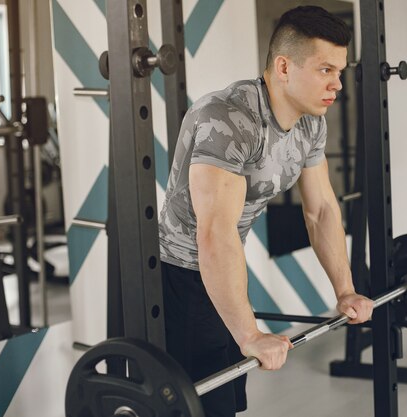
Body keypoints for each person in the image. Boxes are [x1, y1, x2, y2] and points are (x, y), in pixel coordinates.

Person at [158, 5, 373, 417]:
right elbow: (214, 234)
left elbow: (322, 210)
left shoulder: (312, 122)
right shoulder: (228, 118)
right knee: (202, 407)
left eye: (340, 71)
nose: (338, 85)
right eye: (325, 70)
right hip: (177, 274)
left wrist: (344, 290)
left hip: (220, 269)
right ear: (284, 66)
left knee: (228, 401)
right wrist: (251, 334)